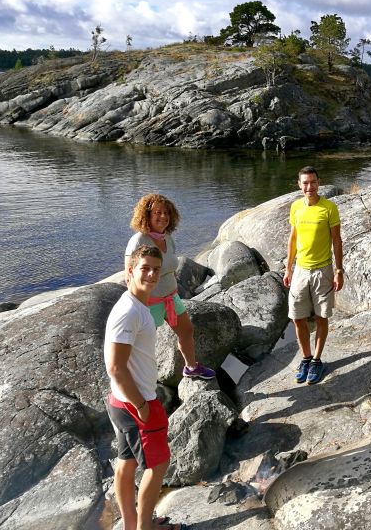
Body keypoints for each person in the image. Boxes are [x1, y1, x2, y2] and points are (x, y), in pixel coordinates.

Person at [105, 245, 179, 530]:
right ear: (130, 271)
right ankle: (145, 527)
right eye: (144, 268)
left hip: (121, 401)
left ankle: (131, 523)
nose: (150, 274)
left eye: (156, 270)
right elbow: (115, 367)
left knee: (126, 462)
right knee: (157, 465)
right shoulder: (129, 312)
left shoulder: (137, 305)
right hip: (136, 404)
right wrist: (142, 406)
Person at [126, 194, 214, 380]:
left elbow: (169, 266)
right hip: (149, 303)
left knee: (187, 330)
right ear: (146, 215)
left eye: (166, 212)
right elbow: (129, 276)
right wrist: (138, 305)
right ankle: (137, 381)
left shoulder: (167, 237)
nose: (163, 217)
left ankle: (191, 368)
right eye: (157, 212)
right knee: (143, 345)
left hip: (171, 298)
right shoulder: (139, 241)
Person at [283, 166, 344, 385]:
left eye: (313, 182)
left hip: (323, 271)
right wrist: (288, 268)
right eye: (305, 183)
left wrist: (338, 270)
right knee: (297, 317)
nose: (309, 187)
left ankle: (317, 360)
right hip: (300, 270)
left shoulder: (329, 208)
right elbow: (293, 239)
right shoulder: (296, 207)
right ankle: (306, 358)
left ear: (319, 183)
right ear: (299, 184)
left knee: (321, 317)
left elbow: (336, 241)